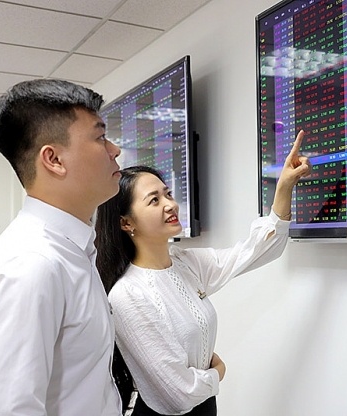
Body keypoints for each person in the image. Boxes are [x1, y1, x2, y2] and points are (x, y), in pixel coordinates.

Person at [94, 130, 312, 416]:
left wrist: (283, 186)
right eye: (154, 200)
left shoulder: (185, 263)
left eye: (168, 194)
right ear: (126, 223)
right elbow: (178, 396)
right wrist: (218, 371)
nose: (170, 204)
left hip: (206, 408)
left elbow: (258, 250)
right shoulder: (127, 294)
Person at [0, 79, 123, 415]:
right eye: (100, 137)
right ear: (54, 159)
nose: (114, 149)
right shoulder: (31, 265)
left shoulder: (72, 250)